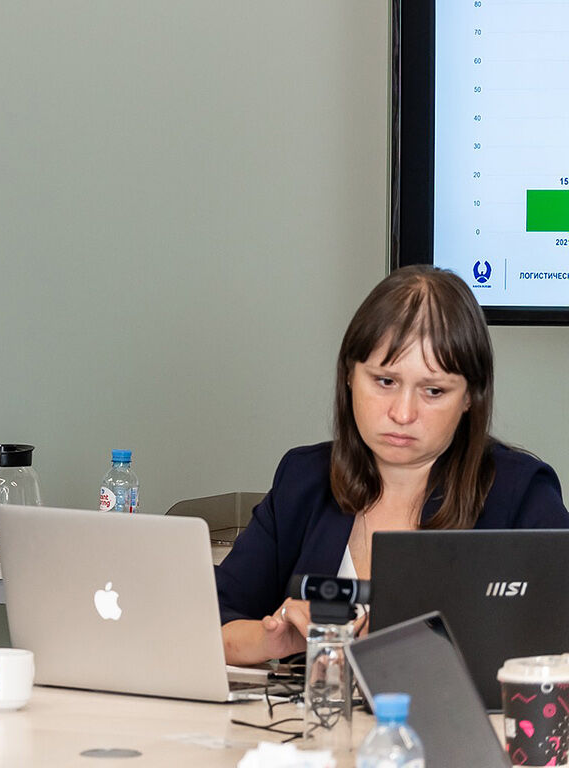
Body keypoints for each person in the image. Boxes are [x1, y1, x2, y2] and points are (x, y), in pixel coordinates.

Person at [217, 265, 569, 664]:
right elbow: (210, 624)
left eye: (433, 391)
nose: (403, 413)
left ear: (470, 397)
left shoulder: (518, 493)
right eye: (385, 382)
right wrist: (276, 640)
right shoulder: (303, 479)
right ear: (349, 376)